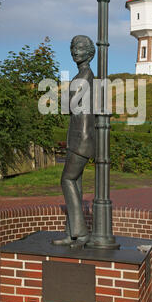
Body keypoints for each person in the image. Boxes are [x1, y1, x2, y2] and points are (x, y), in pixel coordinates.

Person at [53, 35, 95, 247]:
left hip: (82, 139)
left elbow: (69, 104)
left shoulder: (85, 75)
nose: (75, 51)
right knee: (75, 184)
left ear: (89, 52)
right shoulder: (81, 75)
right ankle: (71, 234)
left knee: (67, 180)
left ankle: (82, 233)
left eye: (79, 48)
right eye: (72, 47)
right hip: (76, 138)